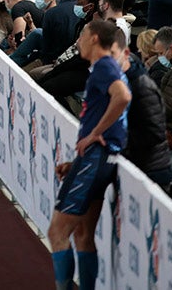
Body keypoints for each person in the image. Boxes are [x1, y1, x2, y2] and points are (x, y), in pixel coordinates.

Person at [48, 19, 131, 290]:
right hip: (102, 158)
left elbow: (123, 97)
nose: (78, 42)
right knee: (83, 234)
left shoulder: (105, 66)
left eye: (82, 36)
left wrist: (96, 133)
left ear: (94, 38)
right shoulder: (104, 67)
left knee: (58, 233)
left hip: (97, 155)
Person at [114, 29, 172, 188]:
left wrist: (117, 139)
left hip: (151, 168)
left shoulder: (146, 81)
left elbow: (152, 131)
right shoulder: (143, 74)